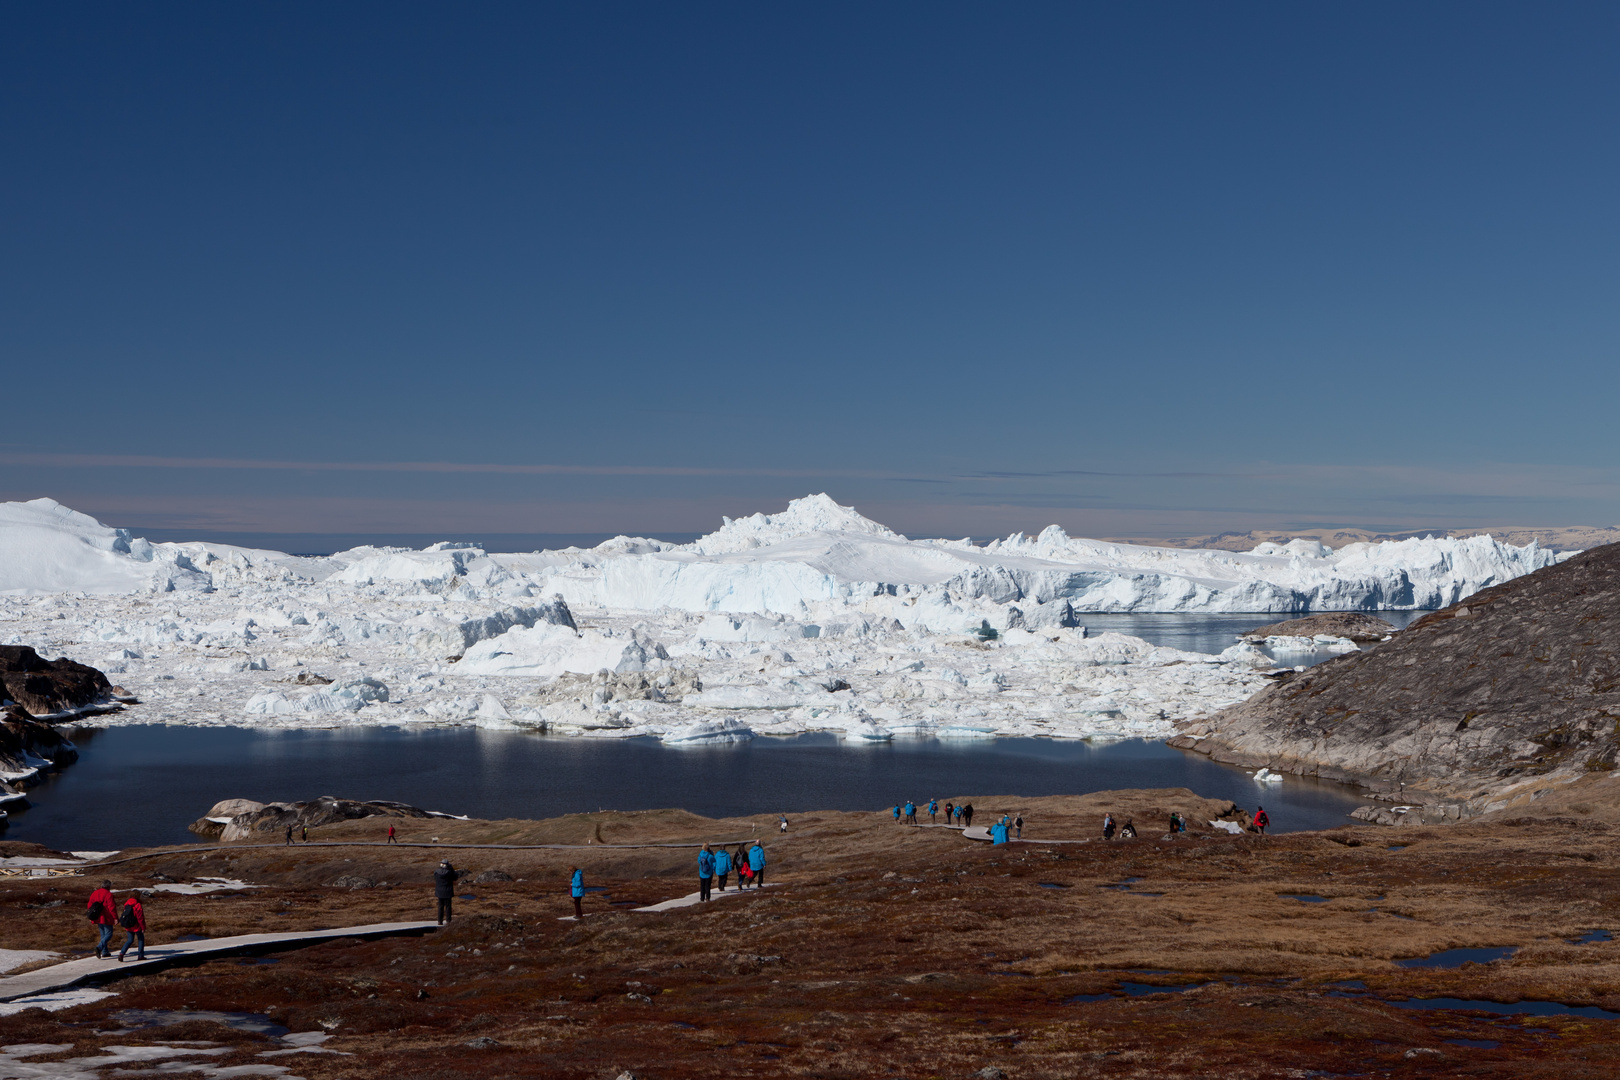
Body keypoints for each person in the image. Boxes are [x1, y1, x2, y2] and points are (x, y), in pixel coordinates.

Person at [87, 880, 117, 959]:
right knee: (109, 934)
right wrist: (115, 918)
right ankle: (99, 947)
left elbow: (90, 905)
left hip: (97, 916)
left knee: (103, 935)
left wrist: (91, 916)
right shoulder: (109, 894)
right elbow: (112, 908)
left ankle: (105, 952)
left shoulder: (95, 893)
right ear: (108, 886)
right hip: (106, 917)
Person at [117, 894, 145, 962]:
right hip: (136, 925)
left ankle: (121, 953)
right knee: (141, 939)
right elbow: (140, 918)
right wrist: (143, 927)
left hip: (128, 925)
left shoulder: (126, 903)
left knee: (130, 940)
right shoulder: (137, 904)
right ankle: (140, 956)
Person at [434, 860, 461, 924]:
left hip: (439, 891)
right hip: (448, 891)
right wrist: (452, 869)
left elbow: (435, 878)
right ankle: (448, 920)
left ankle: (439, 921)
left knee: (440, 906)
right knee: (448, 907)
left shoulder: (436, 872)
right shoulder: (450, 872)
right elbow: (455, 877)